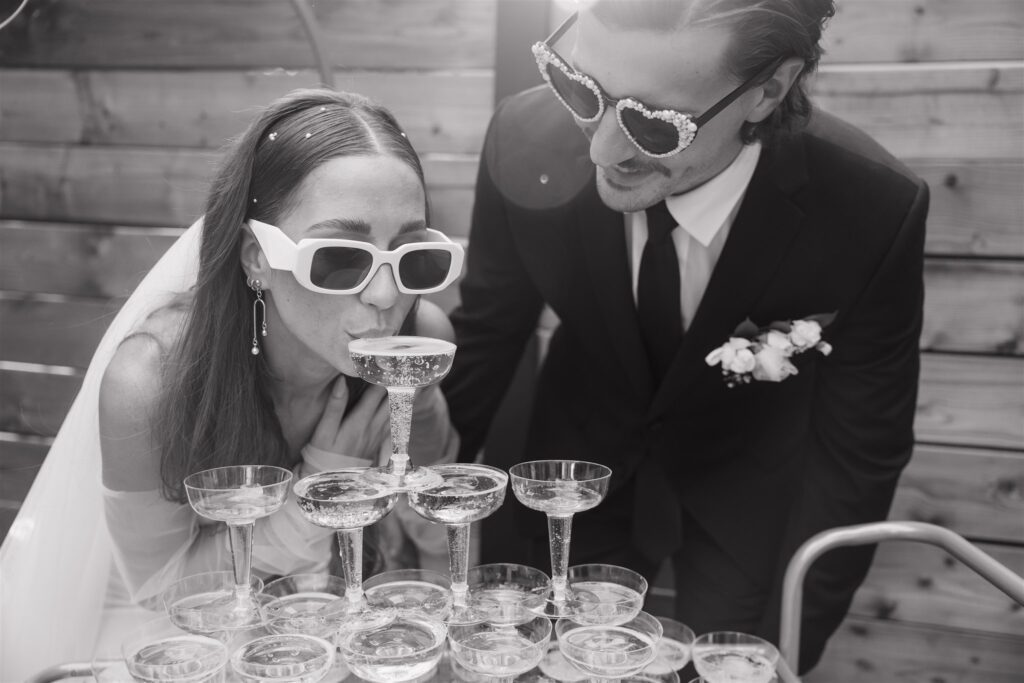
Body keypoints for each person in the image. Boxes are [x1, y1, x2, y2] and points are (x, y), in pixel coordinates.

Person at [442, 0, 927, 673]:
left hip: (746, 492)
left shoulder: (870, 211)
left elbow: (862, 451)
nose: (600, 148)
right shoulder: (524, 139)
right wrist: (425, 510)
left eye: (652, 123)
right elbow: (487, 335)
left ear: (768, 90)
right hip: (576, 466)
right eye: (581, 88)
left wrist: (784, 641)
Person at [0, 88, 463, 678]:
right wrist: (319, 487)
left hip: (333, 618)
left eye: (412, 256)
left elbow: (432, 527)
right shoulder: (150, 380)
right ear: (256, 257)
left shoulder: (420, 338)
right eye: (338, 259)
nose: (384, 295)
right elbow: (163, 588)